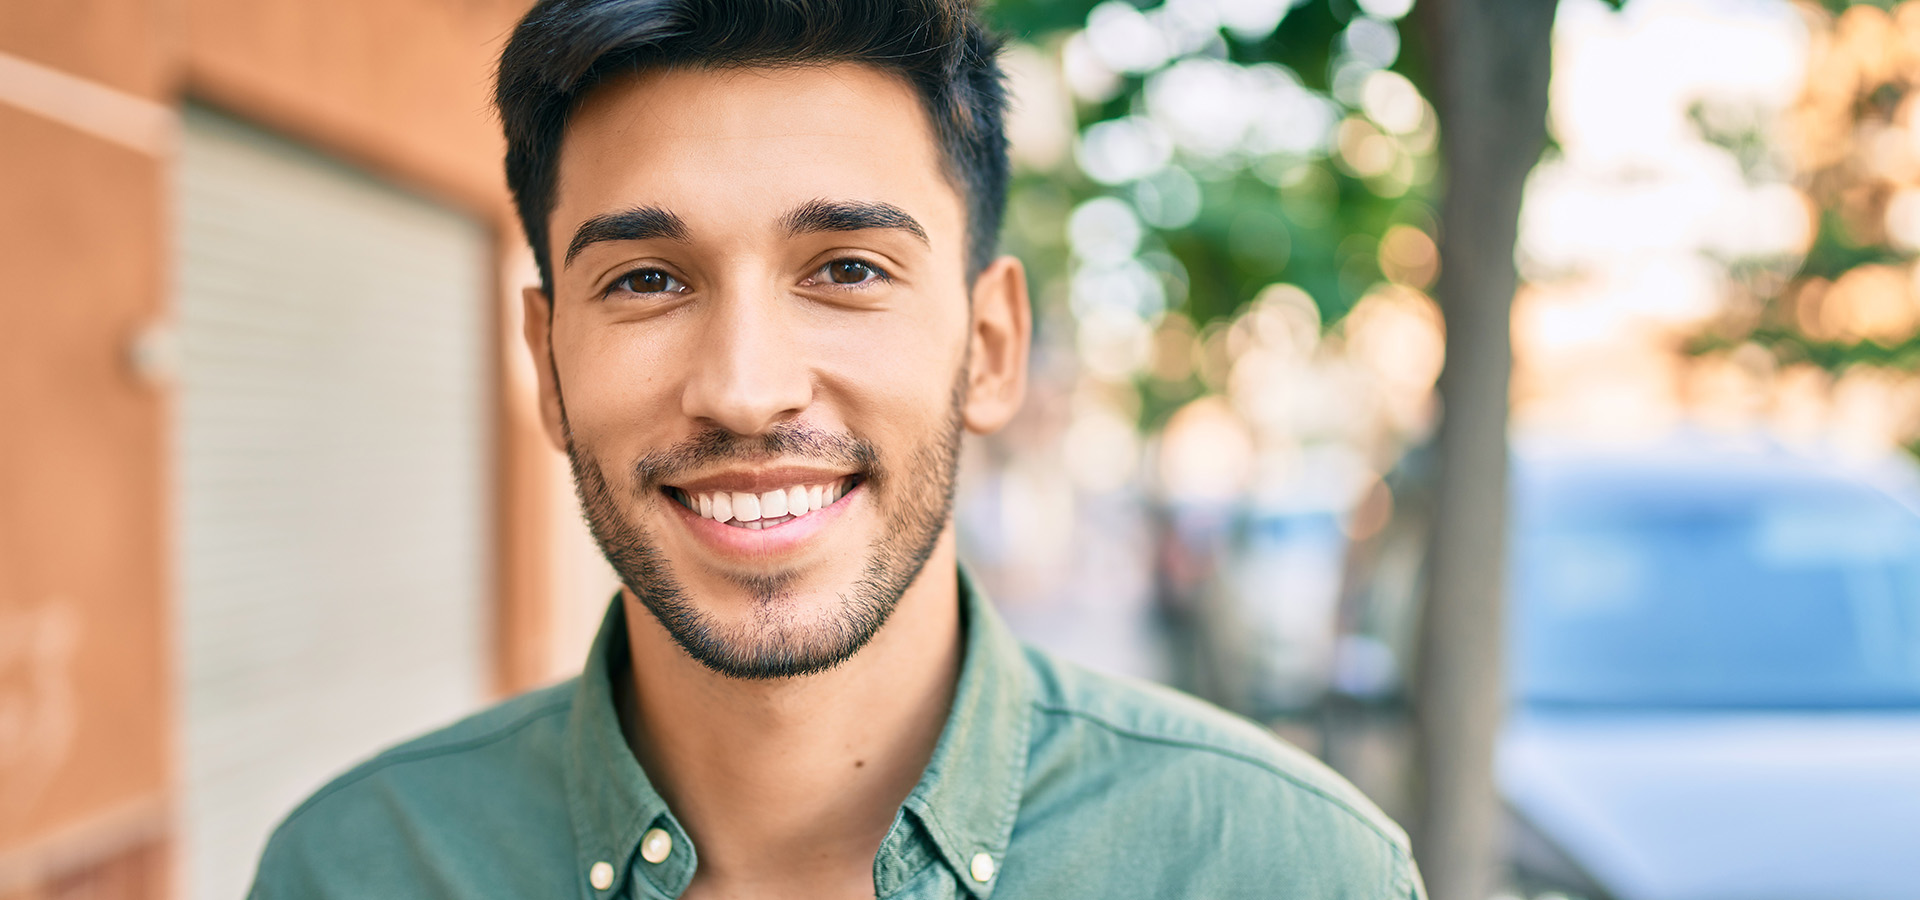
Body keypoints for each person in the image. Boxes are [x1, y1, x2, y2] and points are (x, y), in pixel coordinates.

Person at [247, 1, 1424, 897]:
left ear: (994, 343)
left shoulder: (1287, 866)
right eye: (647, 280)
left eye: (848, 269)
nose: (748, 391)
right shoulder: (354, 867)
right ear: (547, 359)